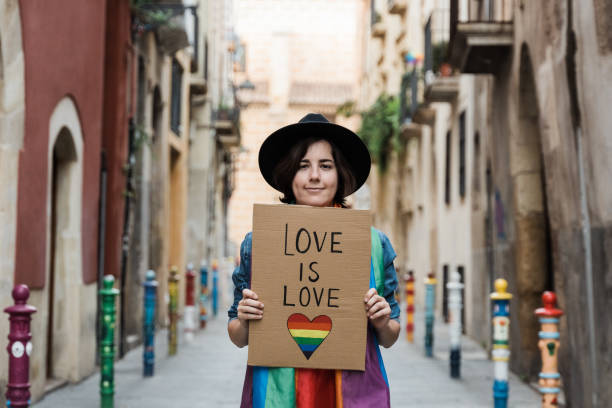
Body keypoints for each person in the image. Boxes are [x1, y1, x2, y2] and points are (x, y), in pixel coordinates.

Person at [228, 113, 401, 407]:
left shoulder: (373, 244)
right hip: (278, 392)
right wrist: (244, 317)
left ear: (340, 174)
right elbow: (238, 335)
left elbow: (389, 335)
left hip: (352, 392)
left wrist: (383, 320)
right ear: (288, 174)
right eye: (302, 166)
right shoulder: (259, 243)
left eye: (326, 166)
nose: (314, 176)